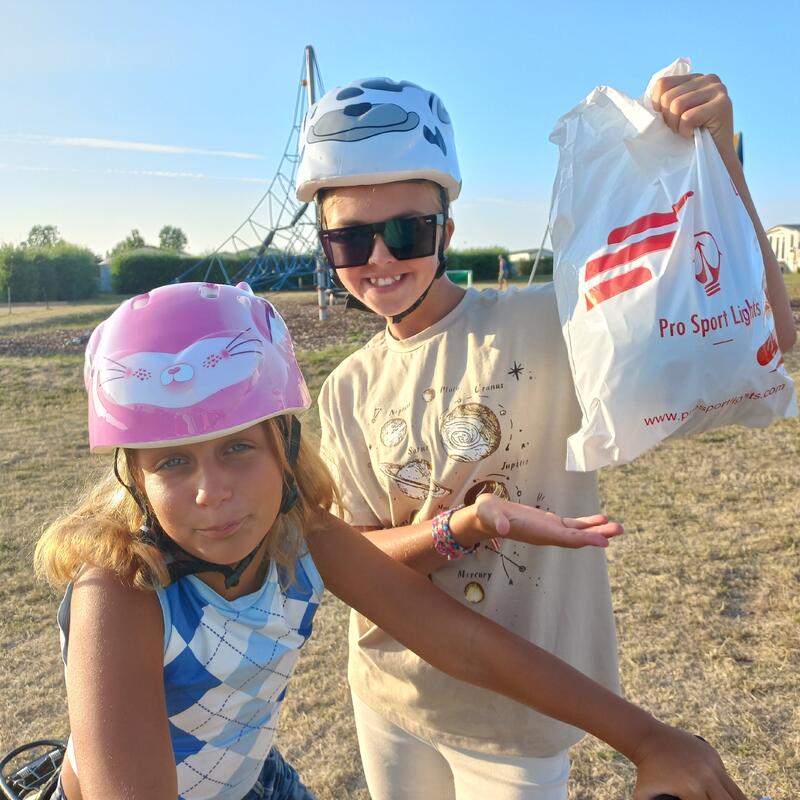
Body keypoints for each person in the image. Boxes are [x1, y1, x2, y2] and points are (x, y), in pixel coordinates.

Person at [33, 281, 748, 800]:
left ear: (284, 444)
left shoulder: (296, 534)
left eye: (237, 450)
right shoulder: (120, 592)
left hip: (253, 782)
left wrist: (648, 737)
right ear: (132, 476)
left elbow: (458, 640)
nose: (209, 492)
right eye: (172, 462)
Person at [301, 74, 796, 799]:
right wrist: (459, 528)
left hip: (521, 721)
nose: (378, 258)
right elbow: (357, 552)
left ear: (447, 231)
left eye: (405, 230)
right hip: (389, 698)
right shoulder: (344, 386)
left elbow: (761, 332)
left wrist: (719, 157)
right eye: (348, 239)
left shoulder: (551, 325)